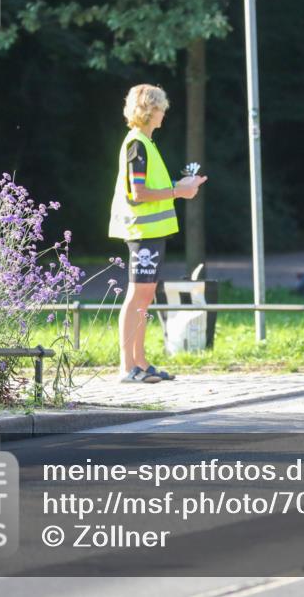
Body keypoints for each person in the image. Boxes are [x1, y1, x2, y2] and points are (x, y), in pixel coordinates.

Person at [109, 84, 207, 383]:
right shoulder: (137, 144)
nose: (165, 112)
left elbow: (150, 188)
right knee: (137, 296)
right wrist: (180, 190)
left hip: (150, 232)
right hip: (141, 231)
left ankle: (140, 361)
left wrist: (181, 186)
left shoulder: (145, 144)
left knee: (145, 296)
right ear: (150, 110)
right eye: (162, 107)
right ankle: (128, 367)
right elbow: (138, 193)